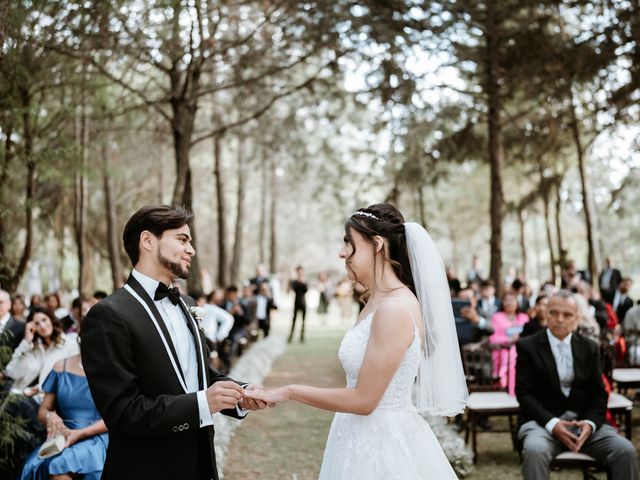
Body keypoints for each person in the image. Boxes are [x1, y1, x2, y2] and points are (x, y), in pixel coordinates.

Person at [246, 204, 468, 479]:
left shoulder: (394, 308)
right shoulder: (375, 302)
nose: (341, 253)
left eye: (348, 243)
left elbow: (364, 400)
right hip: (356, 435)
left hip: (381, 446)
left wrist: (289, 391)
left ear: (376, 244)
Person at [81, 205, 267, 480]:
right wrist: (203, 403)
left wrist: (240, 395)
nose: (191, 250)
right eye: (182, 239)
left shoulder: (188, 305)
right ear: (147, 241)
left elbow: (201, 376)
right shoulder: (109, 315)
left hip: (200, 463)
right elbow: (123, 414)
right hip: (146, 469)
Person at [515, 291, 639, 480]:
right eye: (554, 313)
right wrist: (553, 424)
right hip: (542, 424)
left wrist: (589, 424)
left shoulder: (589, 347)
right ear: (545, 314)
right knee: (534, 450)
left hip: (583, 425)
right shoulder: (527, 346)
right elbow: (524, 394)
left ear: (577, 318)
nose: (559, 319)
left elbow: (599, 393)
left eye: (567, 315)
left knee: (625, 450)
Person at [19, 353, 108, 479]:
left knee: (59, 466)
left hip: (97, 436)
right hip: (64, 437)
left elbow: (116, 416)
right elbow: (43, 410)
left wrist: (81, 433)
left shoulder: (111, 369)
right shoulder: (60, 366)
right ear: (78, 332)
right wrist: (50, 416)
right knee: (33, 465)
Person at [5, 307, 79, 394]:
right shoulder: (31, 348)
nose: (42, 326)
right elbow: (10, 372)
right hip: (19, 396)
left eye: (44, 320)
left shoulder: (70, 345)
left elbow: (71, 378)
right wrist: (26, 341)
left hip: (49, 400)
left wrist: (40, 389)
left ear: (51, 319)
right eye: (37, 323)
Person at [489, 293, 529, 395]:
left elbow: (529, 335)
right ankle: (508, 390)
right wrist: (508, 339)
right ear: (502, 303)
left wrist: (519, 339)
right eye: (506, 300)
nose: (509, 303)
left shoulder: (524, 317)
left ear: (517, 303)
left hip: (521, 352)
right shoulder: (497, 317)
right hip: (502, 351)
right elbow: (493, 338)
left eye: (512, 300)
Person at [288, 266, 308, 343]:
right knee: (294, 320)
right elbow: (293, 289)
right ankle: (291, 336)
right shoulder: (294, 281)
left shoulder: (304, 281)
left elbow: (306, 290)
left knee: (303, 321)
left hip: (303, 302)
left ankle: (302, 337)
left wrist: (302, 282)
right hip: (296, 302)